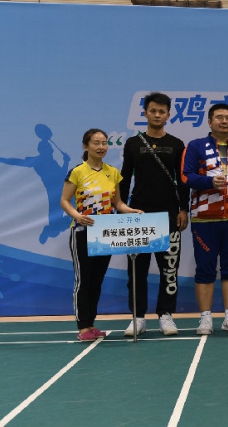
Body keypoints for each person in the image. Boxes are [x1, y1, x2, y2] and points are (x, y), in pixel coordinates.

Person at [60, 129, 142, 341]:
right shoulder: (77, 172)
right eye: (96, 143)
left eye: (104, 143)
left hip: (105, 233)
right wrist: (78, 216)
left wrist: (131, 210)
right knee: (83, 280)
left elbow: (118, 203)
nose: (101, 147)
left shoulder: (112, 172)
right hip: (82, 232)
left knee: (97, 280)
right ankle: (83, 327)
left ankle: (91, 324)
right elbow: (65, 201)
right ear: (86, 146)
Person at [119, 92, 189, 337]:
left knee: (169, 269)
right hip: (138, 213)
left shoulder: (177, 144)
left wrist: (183, 209)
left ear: (168, 115)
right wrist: (121, 207)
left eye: (162, 111)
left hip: (169, 214)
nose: (157, 115)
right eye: (153, 111)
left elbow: (183, 181)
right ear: (145, 113)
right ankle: (138, 317)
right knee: (136, 269)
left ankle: (165, 315)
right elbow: (124, 178)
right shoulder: (133, 143)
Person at [181, 103, 228, 336]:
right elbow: (185, 177)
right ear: (210, 122)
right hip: (205, 219)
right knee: (205, 268)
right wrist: (209, 182)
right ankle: (205, 318)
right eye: (219, 117)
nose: (224, 121)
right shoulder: (196, 146)